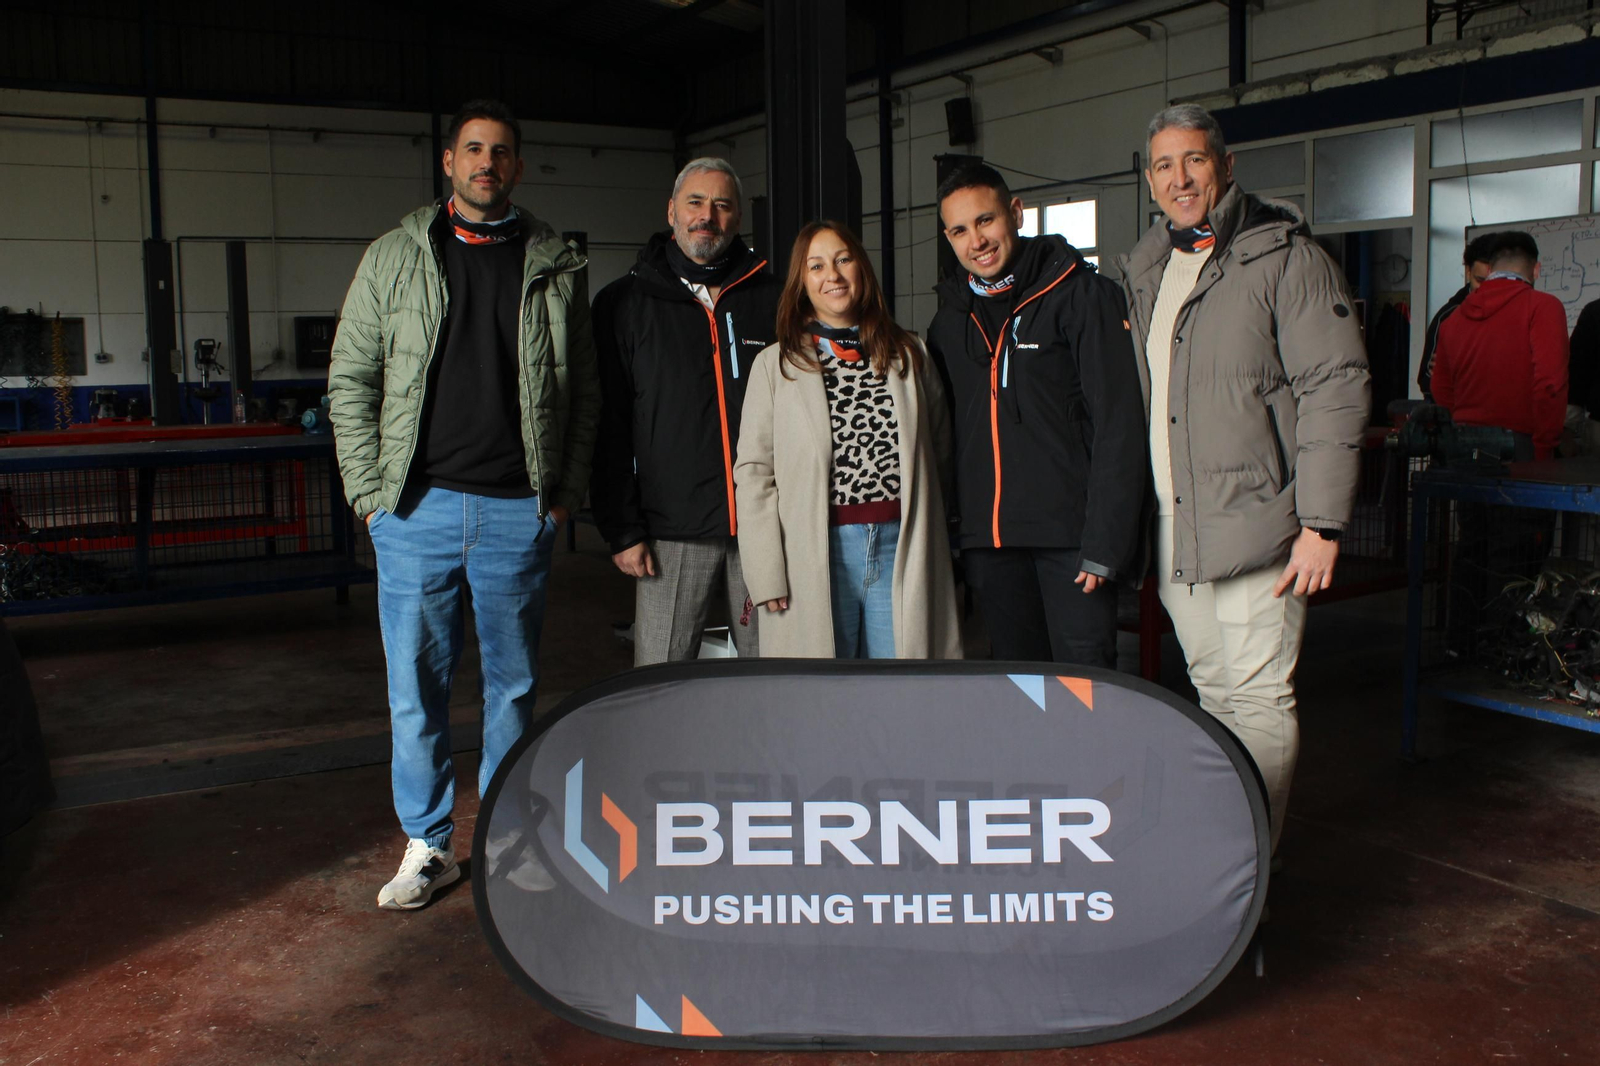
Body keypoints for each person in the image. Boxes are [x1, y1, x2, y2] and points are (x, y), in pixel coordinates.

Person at [328, 99, 599, 910]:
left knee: (513, 686)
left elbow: (583, 391)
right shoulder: (394, 258)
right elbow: (351, 380)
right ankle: (429, 845)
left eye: (503, 152)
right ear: (449, 162)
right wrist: (370, 495)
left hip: (520, 507)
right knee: (416, 686)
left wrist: (564, 497)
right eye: (474, 149)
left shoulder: (556, 263)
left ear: (517, 168)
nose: (488, 162)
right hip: (417, 509)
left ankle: (509, 839)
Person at [1119, 103, 1369, 852]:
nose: (1179, 177)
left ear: (1225, 167)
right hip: (1178, 526)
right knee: (1216, 693)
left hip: (1262, 524)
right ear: (1150, 181)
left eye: (1193, 160)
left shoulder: (1285, 257)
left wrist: (1322, 524)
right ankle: (1231, 852)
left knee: (1257, 698)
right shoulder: (1150, 267)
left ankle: (1252, 865)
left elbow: (1336, 382)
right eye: (1163, 165)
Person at [926, 165, 1146, 668]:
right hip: (990, 546)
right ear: (948, 238)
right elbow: (944, 439)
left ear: (1016, 213)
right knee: (1020, 689)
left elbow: (1119, 424)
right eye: (960, 231)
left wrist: (1107, 543)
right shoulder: (947, 323)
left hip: (1072, 544)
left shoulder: (1082, 296)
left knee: (1084, 688)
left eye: (986, 221)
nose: (976, 241)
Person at [734, 222, 962, 659]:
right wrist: (765, 573)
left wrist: (939, 534)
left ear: (862, 268)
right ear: (802, 282)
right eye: (815, 266)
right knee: (823, 698)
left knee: (898, 692)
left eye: (842, 260)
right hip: (815, 552)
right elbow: (754, 473)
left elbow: (940, 451)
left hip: (902, 547)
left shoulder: (910, 354)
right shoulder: (775, 364)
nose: (832, 275)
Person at [590, 158, 779, 664]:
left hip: (764, 524)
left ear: (738, 217)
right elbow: (610, 425)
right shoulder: (624, 304)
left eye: (721, 205)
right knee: (661, 678)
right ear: (671, 211)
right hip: (669, 530)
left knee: (777, 674)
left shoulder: (776, 299)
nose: (707, 216)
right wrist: (623, 529)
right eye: (695, 202)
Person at [1432, 230, 1568, 462]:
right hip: (1521, 445)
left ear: (1490, 269)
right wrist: (1545, 447)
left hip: (1462, 446)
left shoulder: (1453, 319)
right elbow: (1550, 384)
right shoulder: (1543, 308)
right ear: (1536, 269)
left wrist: (1465, 426)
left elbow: (1440, 387)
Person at [1417, 233, 1495, 399]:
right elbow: (1425, 381)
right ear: (1468, 271)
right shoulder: (1448, 316)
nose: (1485, 290)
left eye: (1493, 283)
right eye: (1480, 281)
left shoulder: (1518, 313)